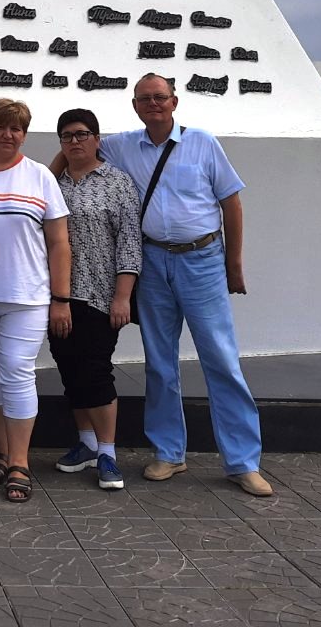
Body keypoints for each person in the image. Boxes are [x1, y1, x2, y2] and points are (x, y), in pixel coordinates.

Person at [98, 73, 273, 497]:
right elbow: (76, 144)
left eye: (160, 97)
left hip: (203, 260)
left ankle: (242, 462)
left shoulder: (203, 143)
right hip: (153, 261)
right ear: (135, 105)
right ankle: (168, 453)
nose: (153, 104)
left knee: (221, 360)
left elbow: (231, 202)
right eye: (145, 99)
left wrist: (234, 263)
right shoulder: (122, 145)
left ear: (174, 102)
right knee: (160, 363)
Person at [0, 98, 70, 504]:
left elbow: (59, 243)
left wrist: (61, 299)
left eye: (17, 128)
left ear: (24, 134)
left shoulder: (40, 177)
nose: (9, 135)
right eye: (1, 127)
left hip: (28, 296)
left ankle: (21, 462)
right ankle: (2, 453)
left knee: (16, 372)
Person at [50, 108, 141, 492]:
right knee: (69, 369)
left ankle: (108, 452)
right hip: (58, 295)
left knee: (96, 371)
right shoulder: (52, 183)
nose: (75, 142)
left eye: (82, 134)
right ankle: (86, 443)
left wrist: (124, 296)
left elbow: (130, 243)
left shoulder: (118, 183)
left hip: (101, 296)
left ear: (97, 139)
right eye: (67, 136)